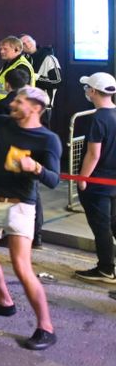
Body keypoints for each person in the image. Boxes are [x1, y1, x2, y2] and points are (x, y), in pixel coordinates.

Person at [0, 86, 60, 349]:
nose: (13, 105)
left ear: (36, 108)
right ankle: (4, 301)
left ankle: (46, 327)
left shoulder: (48, 139)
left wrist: (37, 168)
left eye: (19, 102)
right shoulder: (4, 124)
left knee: (22, 267)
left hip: (20, 207)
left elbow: (54, 180)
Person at [74, 72, 116, 282]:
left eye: (87, 87)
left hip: (98, 183)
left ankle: (106, 268)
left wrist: (83, 178)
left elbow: (93, 153)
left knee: (101, 227)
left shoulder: (99, 118)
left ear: (92, 91)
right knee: (113, 225)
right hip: (113, 182)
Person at [0, 35, 36, 106]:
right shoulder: (9, 63)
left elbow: (20, 92)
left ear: (16, 49)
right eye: (0, 49)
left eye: (5, 49)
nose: (1, 52)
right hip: (4, 109)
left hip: (12, 109)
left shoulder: (22, 66)